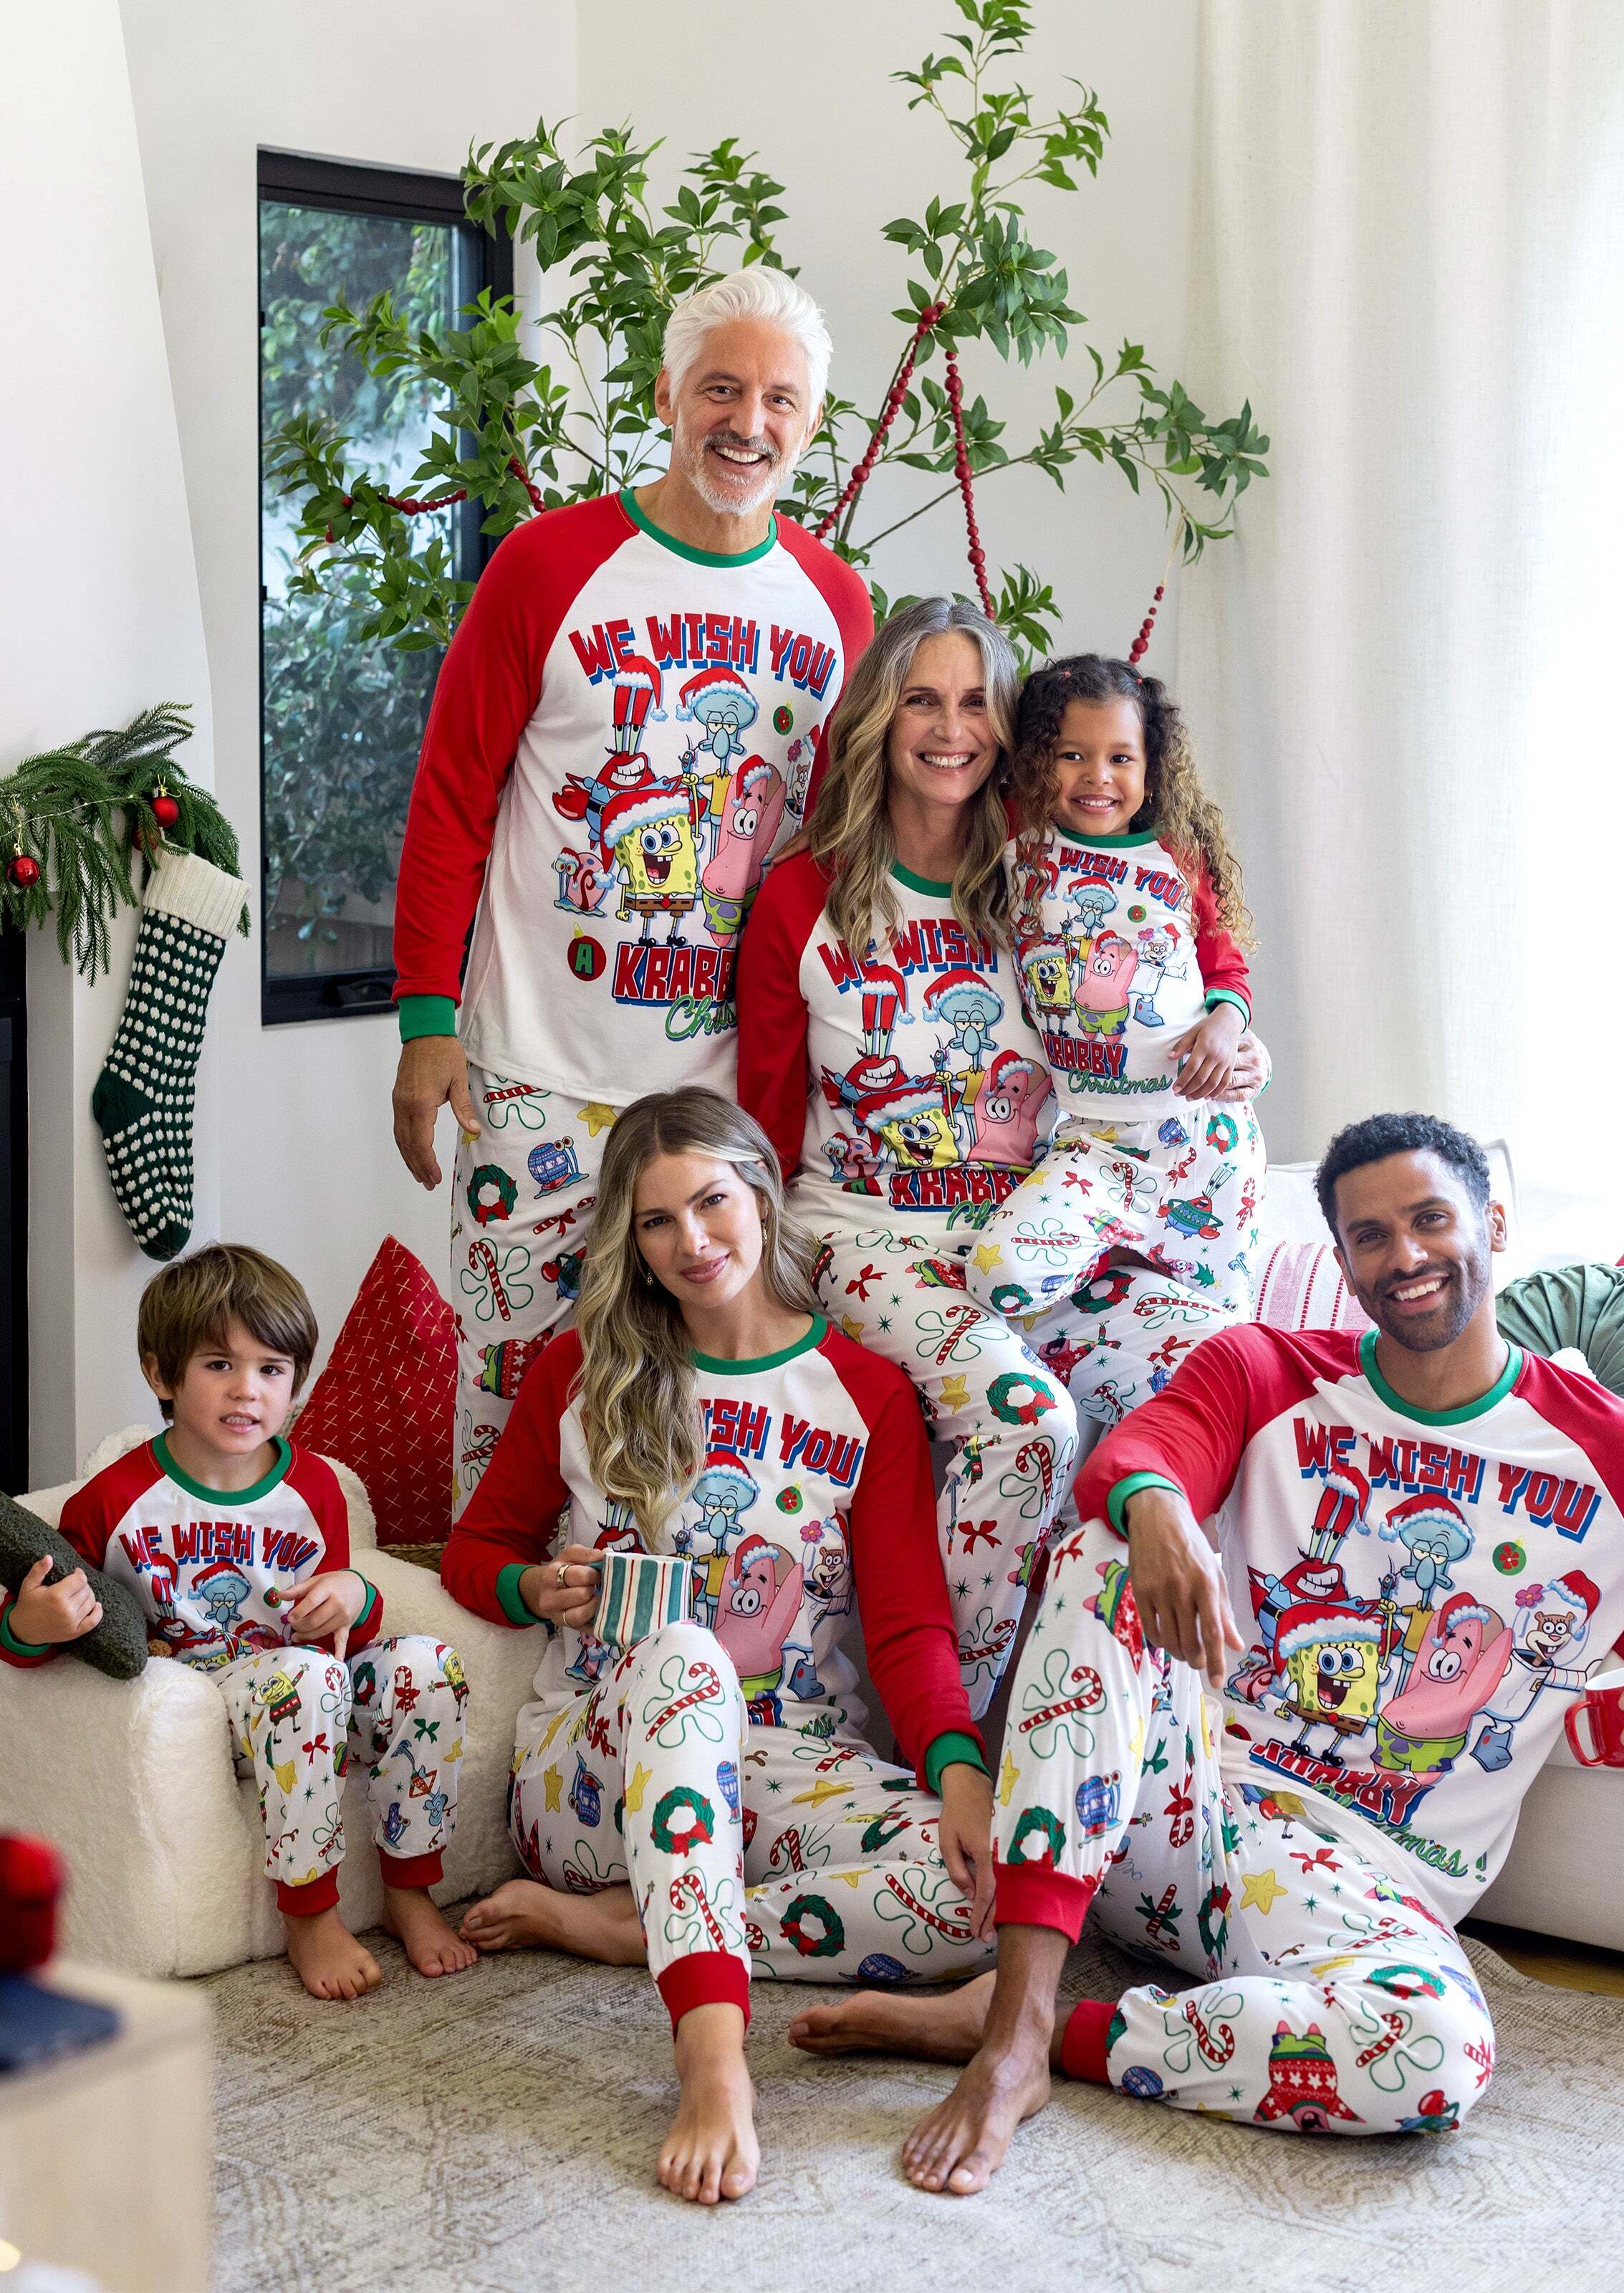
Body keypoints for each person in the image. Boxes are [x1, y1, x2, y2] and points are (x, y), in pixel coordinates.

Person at [789, 1111, 1624, 2186]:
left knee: (1438, 2058)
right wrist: (1155, 1504)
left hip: (1366, 1887)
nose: (1406, 1256)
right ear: (1343, 1261)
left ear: (1494, 1223)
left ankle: (1058, 2030)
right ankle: (1013, 2033)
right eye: (1371, 1236)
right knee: (1102, 1554)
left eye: (1431, 1220)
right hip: (1163, 1813)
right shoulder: (1267, 1366)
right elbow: (1146, 1451)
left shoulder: (1607, 1449)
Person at [439, 1088, 996, 2206]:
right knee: (685, 1657)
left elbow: (906, 1626)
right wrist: (533, 1587)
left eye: (711, 1203)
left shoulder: (866, 1395)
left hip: (787, 1766)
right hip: (591, 1775)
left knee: (976, 1900)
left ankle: (635, 1930)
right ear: (630, 1239)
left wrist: (960, 1773)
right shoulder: (582, 1371)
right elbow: (474, 1551)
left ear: (762, 1196)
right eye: (657, 1221)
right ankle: (711, 2054)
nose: (691, 1242)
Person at [387, 267, 873, 1505]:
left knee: (691, 1409)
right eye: (721, 389)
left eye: (780, 400)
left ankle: (647, 1624)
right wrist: (426, 1020)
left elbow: (839, 852)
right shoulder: (547, 565)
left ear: (811, 422)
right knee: (509, 1396)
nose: (748, 423)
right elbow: (450, 799)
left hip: (719, 1092)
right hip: (532, 1073)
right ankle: (490, 1623)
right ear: (665, 395)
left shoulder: (835, 605)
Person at [737, 601, 1269, 1710]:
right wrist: (759, 1300)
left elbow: (1178, 935)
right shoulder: (804, 897)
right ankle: (956, 1730)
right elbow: (766, 1117)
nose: (951, 728)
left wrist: (1231, 1027)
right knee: (1029, 1421)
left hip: (1036, 1243)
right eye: (921, 701)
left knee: (1233, 1367)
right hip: (870, 1243)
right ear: (879, 720)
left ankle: (1177, 1719)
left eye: (976, 702)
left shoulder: (1040, 871)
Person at [0, 1245, 475, 2001]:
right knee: (305, 1677)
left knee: (428, 1662)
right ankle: (309, 1914)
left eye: (272, 1369)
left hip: (318, 1696)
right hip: (212, 1711)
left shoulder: (316, 1486)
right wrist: (30, 1623)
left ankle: (409, 1888)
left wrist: (354, 1594)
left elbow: (343, 1621)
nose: (247, 1389)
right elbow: (46, 1630)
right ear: (162, 1375)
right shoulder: (112, 1499)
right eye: (219, 1364)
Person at [970, 654, 1267, 1329]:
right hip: (1094, 1142)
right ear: (1036, 759)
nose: (1097, 776)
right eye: (1071, 754)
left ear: (1152, 768)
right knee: (1000, 1276)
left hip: (1209, 1140)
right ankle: (1119, 1265)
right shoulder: (1016, 837)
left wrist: (1227, 1026)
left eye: (1121, 758)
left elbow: (1226, 970)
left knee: (1225, 1335)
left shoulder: (1180, 853)